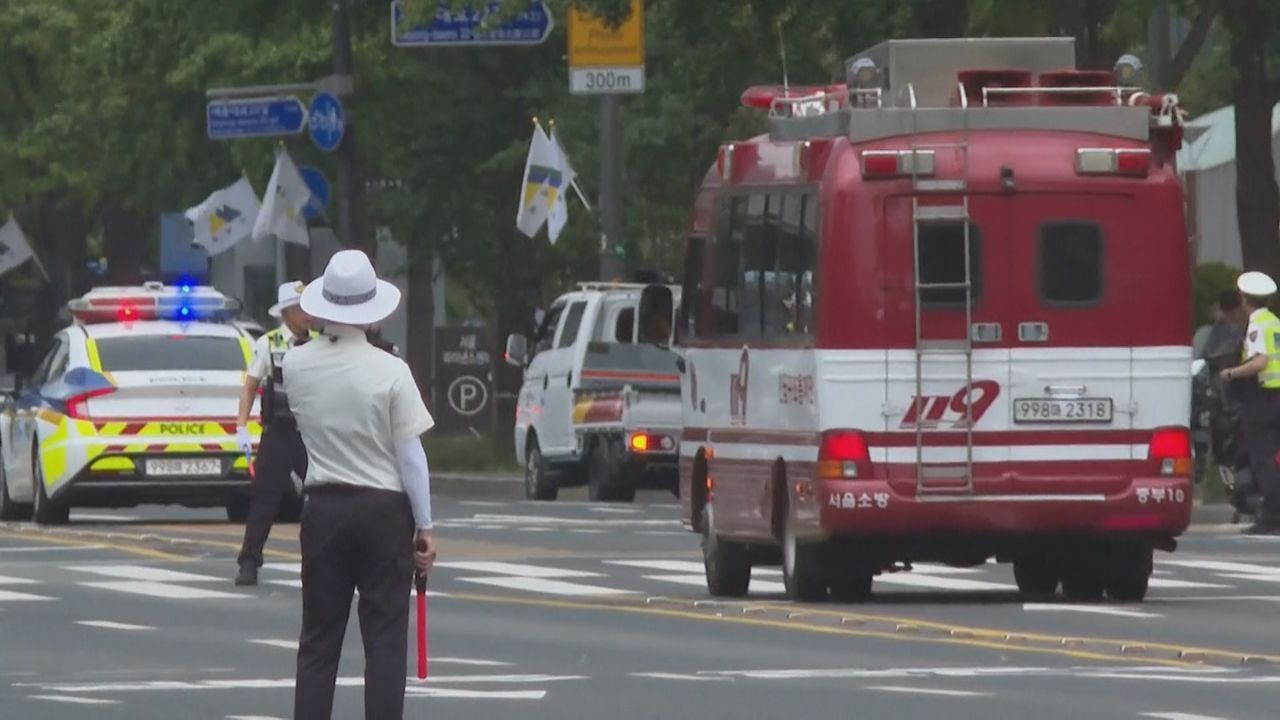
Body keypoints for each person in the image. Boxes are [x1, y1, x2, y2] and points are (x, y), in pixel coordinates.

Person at [285, 250, 437, 719]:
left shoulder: (295, 366)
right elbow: (410, 456)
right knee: (385, 640)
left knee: (318, 641)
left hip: (324, 505)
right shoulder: (392, 371)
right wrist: (425, 526)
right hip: (383, 510)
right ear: (371, 310)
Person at [234, 282, 316, 586]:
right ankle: (249, 562)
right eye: (301, 308)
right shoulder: (269, 343)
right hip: (279, 432)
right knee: (265, 499)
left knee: (323, 495)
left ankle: (320, 561)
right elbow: (251, 385)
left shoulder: (321, 342)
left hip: (312, 433)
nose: (308, 315)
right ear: (286, 312)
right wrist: (241, 426)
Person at [1218, 271, 1280, 535]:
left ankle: (1271, 517)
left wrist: (1230, 373)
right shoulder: (1273, 321)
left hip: (1264, 397)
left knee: (1263, 457)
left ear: (1244, 299)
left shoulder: (1257, 324)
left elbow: (1260, 362)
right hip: (1275, 396)